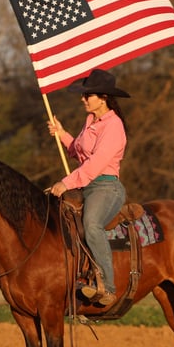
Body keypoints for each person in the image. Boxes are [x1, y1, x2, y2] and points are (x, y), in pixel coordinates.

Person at [48, 68, 129, 306]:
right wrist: (62, 134)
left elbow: (95, 165)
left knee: (92, 224)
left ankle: (108, 287)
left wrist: (66, 183)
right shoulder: (90, 121)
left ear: (103, 97)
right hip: (86, 184)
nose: (83, 99)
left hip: (106, 187)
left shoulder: (114, 127)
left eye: (88, 95)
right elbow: (79, 152)